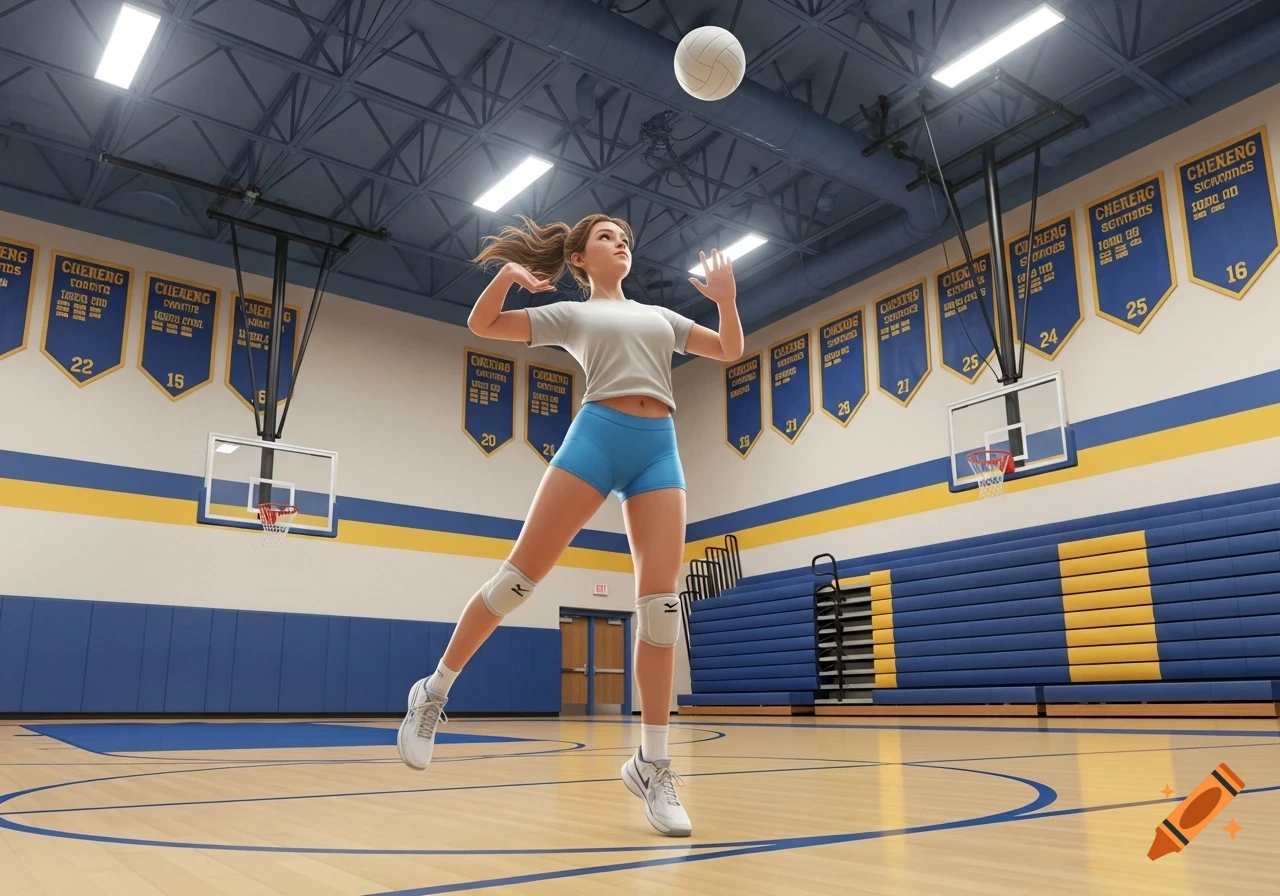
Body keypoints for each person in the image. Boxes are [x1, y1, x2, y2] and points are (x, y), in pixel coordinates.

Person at [396, 212, 743, 837]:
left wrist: (727, 302)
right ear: (579, 259)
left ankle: (653, 763)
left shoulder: (661, 319)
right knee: (517, 580)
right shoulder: (575, 314)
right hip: (595, 439)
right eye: (608, 237)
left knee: (662, 607)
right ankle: (435, 689)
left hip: (658, 446)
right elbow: (482, 324)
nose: (622, 244)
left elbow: (729, 349)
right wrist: (504, 277)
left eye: (628, 239)